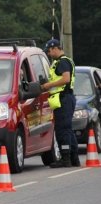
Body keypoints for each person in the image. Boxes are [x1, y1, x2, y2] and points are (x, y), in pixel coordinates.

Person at [41, 39, 80, 167]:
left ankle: (65, 158)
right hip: (64, 98)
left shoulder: (63, 62)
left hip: (63, 98)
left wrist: (48, 85)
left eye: (49, 50)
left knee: (62, 129)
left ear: (55, 48)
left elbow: (66, 78)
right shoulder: (61, 61)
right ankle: (73, 158)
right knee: (67, 129)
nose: (48, 53)